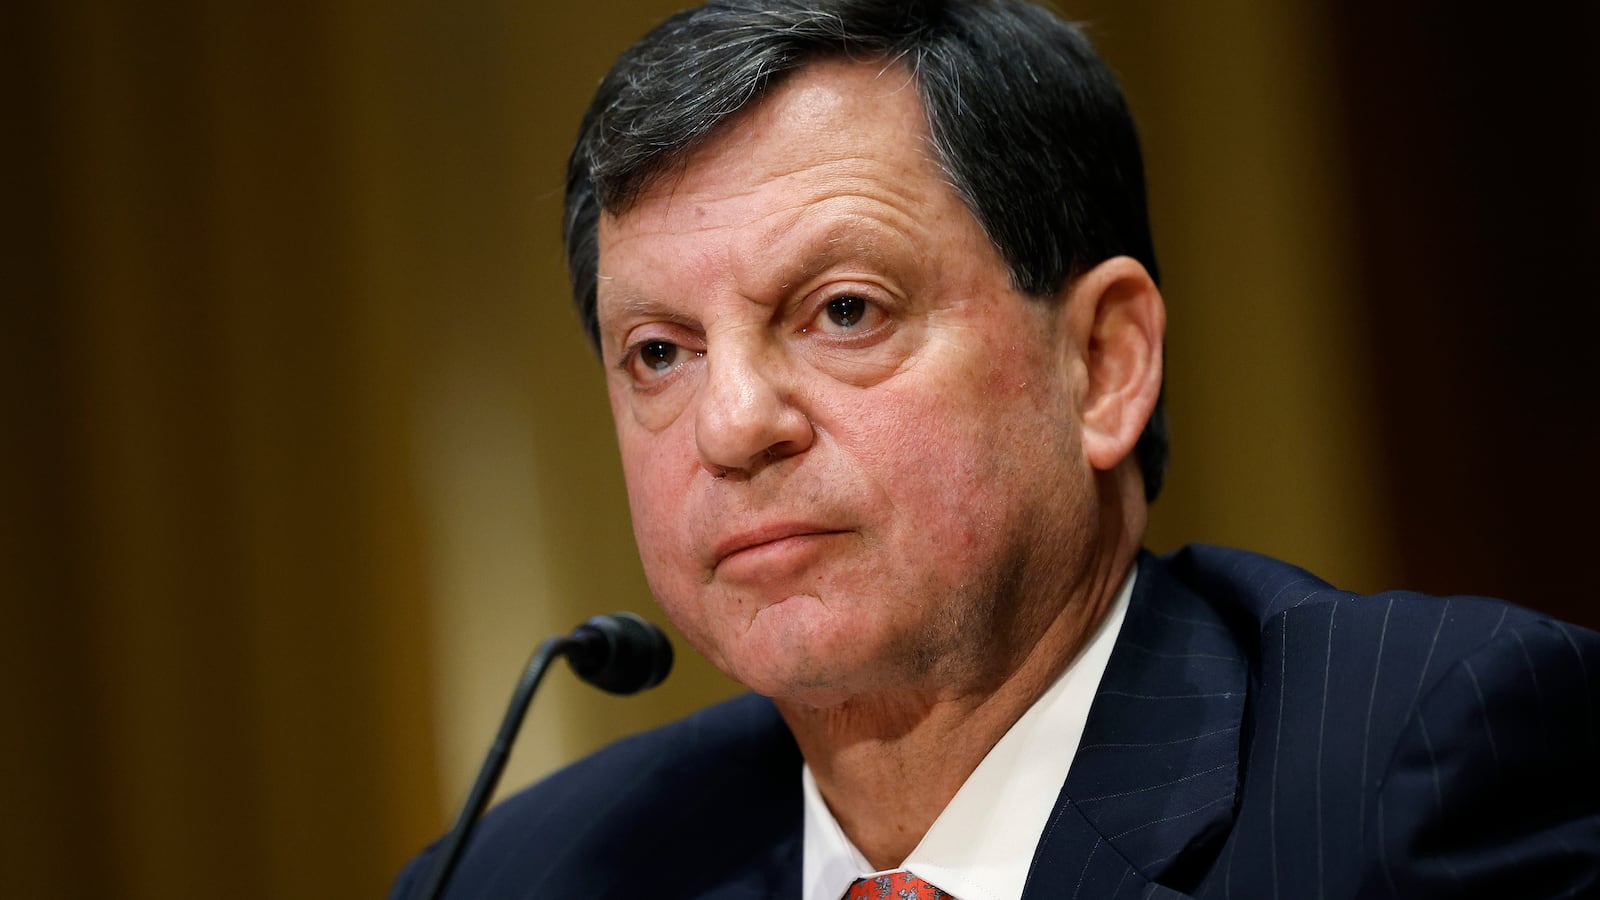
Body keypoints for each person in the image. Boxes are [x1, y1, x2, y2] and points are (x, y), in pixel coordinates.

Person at [391, 1, 1600, 897]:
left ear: (1102, 364)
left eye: (844, 310)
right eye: (659, 352)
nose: (731, 423)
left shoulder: (1417, 770)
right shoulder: (528, 875)